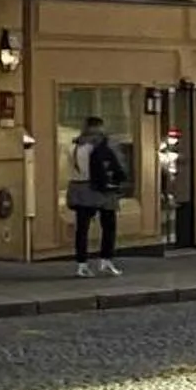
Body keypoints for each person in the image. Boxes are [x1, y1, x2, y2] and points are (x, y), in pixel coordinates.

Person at [68, 113, 126, 276]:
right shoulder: (104, 143)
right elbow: (118, 165)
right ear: (100, 126)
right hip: (103, 190)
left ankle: (82, 265)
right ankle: (106, 261)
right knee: (109, 226)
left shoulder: (74, 145)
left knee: (82, 229)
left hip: (79, 188)